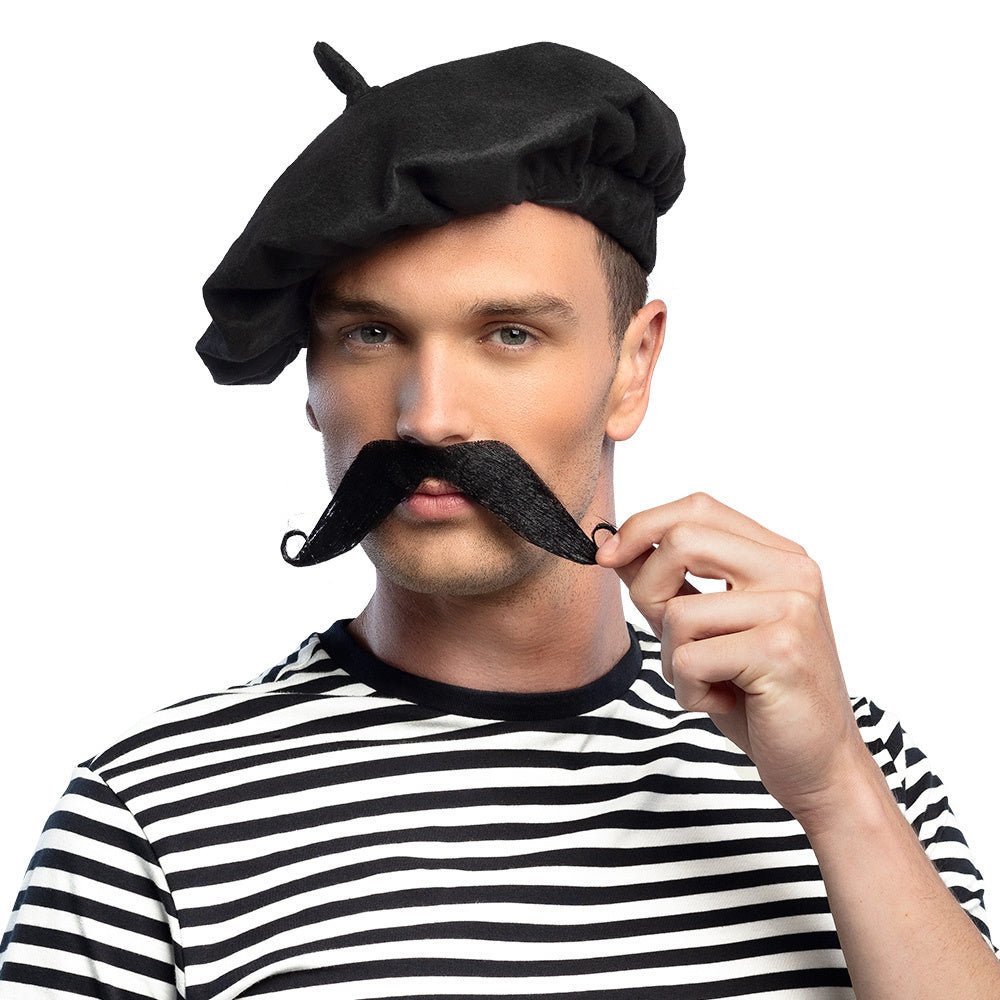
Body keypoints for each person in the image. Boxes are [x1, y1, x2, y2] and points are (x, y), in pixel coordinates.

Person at [1, 39, 998, 1000]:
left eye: (509, 333)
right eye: (371, 333)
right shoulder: (150, 819)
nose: (428, 415)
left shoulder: (848, 761)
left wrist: (834, 795)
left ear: (632, 366)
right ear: (311, 378)